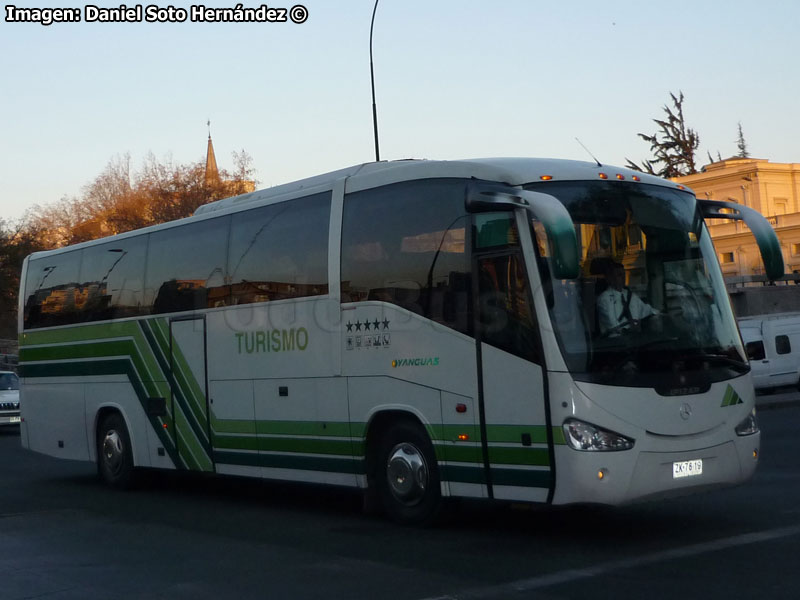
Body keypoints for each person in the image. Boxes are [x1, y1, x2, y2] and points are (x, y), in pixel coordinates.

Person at [596, 262, 658, 336]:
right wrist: (630, 329)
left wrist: (660, 315)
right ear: (610, 278)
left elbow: (648, 310)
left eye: (624, 274)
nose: (623, 277)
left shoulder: (632, 296)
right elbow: (613, 325)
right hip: (616, 344)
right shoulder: (604, 299)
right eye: (619, 275)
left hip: (637, 342)